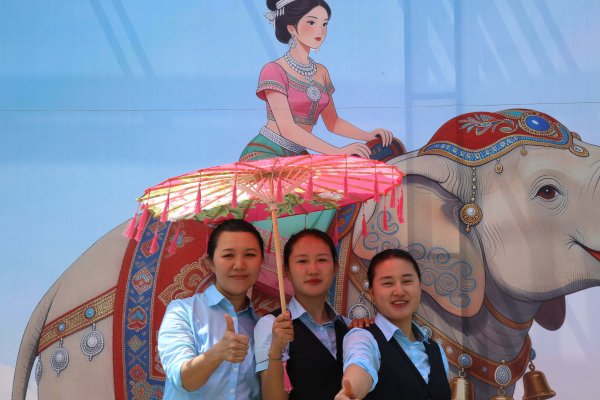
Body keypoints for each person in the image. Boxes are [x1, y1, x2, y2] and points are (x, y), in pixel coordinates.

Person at [240, 0, 393, 163]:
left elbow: (333, 122)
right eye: (311, 22)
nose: (320, 30)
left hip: (298, 154)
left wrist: (367, 135)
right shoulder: (273, 70)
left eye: (324, 24)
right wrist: (336, 151)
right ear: (291, 28)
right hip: (267, 152)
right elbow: (287, 128)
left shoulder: (321, 72)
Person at [157, 219, 264, 399]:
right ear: (211, 263)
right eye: (228, 255)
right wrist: (217, 353)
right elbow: (182, 379)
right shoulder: (183, 311)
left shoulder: (262, 326)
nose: (239, 265)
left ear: (261, 262)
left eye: (250, 255)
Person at [335, 249, 451, 400]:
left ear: (419, 287)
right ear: (372, 293)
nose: (399, 291)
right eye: (388, 283)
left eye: (407, 281)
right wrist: (352, 391)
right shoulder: (363, 337)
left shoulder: (436, 350)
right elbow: (360, 366)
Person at [254, 228, 350, 400]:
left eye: (322, 260)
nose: (313, 270)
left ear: (335, 267)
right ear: (287, 271)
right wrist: (276, 349)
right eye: (302, 261)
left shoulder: (348, 326)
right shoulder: (271, 325)